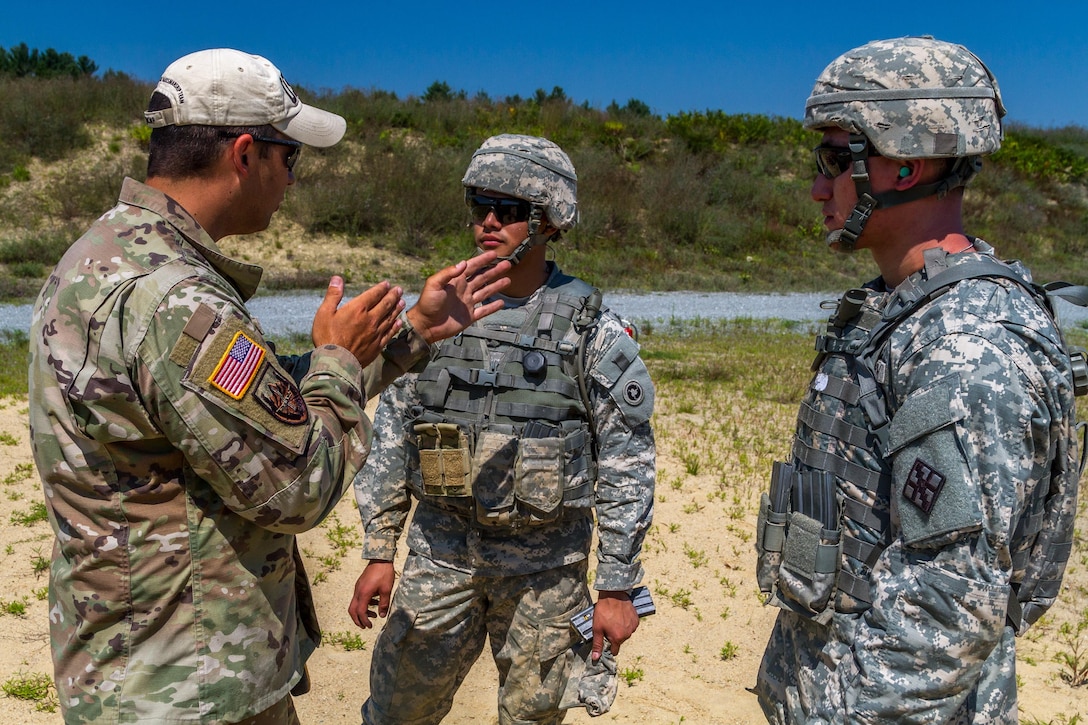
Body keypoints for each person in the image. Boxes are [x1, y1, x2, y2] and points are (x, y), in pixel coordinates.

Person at [28, 48, 512, 725]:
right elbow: (299, 480)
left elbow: (254, 410)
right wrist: (337, 359)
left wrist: (411, 335)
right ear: (245, 153)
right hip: (191, 685)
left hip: (132, 668)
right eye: (292, 159)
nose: (292, 181)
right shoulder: (178, 303)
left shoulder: (104, 255)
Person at [753, 36, 1084, 723]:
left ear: (905, 165)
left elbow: (945, 612)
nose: (819, 185)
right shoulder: (898, 311)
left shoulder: (969, 343)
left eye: (837, 160)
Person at [347, 134, 657, 725]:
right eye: (479, 207)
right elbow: (393, 433)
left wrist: (617, 584)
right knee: (395, 714)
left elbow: (625, 459)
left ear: (549, 222)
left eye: (510, 211)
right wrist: (379, 550)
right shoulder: (437, 317)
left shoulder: (591, 330)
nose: (488, 223)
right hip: (440, 560)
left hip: (544, 575)